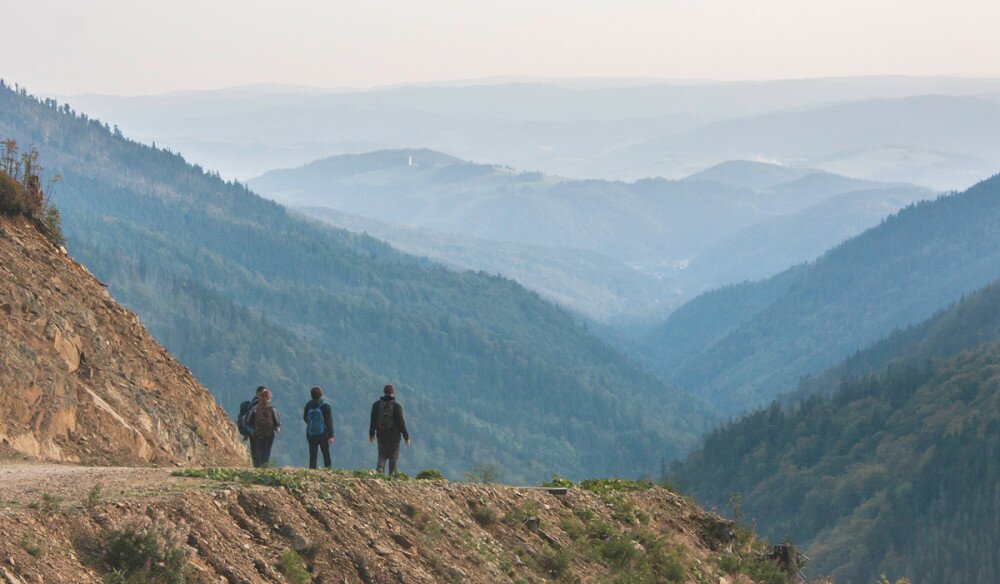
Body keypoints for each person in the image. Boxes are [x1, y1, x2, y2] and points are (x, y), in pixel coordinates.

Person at [369, 384, 410, 475]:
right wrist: (406, 436)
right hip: (394, 435)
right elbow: (401, 422)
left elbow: (373, 420)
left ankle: (380, 468)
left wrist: (371, 434)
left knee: (382, 453)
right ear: (392, 392)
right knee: (393, 455)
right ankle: (391, 474)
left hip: (381, 433)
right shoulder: (396, 406)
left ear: (384, 392)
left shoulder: (376, 405)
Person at [303, 386, 334, 469]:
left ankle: (312, 469)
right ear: (321, 395)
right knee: (325, 452)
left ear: (311, 395)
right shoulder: (325, 406)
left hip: (311, 433)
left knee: (313, 453)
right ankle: (328, 468)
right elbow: (328, 421)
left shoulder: (307, 406)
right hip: (323, 433)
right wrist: (331, 435)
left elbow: (305, 419)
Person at [248, 388, 280, 467]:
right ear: (269, 398)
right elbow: (276, 421)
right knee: (267, 451)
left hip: (258, 434)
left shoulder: (255, 409)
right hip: (269, 434)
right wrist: (277, 427)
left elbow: (250, 421)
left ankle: (258, 466)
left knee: (259, 451)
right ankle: (265, 466)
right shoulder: (272, 409)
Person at [238, 385, 267, 467]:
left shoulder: (252, 403)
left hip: (252, 430)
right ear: (258, 393)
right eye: (263, 392)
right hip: (257, 429)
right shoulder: (258, 404)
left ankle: (257, 466)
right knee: (260, 449)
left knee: (255, 449)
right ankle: (260, 467)